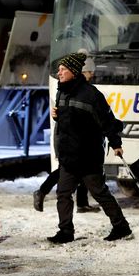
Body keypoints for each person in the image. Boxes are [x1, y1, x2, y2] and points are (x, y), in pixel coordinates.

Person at [47, 52, 133, 244]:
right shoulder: (62, 92)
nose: (59, 73)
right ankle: (66, 231)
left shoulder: (91, 95)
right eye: (59, 69)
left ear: (74, 72)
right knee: (63, 193)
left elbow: (107, 122)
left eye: (63, 70)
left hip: (87, 155)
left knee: (100, 193)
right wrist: (56, 116)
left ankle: (121, 227)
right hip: (69, 155)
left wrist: (116, 143)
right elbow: (67, 121)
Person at [33, 51, 100, 214]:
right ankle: (42, 191)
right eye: (89, 73)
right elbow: (66, 116)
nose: (91, 76)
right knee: (67, 169)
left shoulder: (77, 88)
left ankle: (82, 203)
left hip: (74, 139)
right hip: (68, 139)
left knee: (78, 167)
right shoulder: (72, 89)